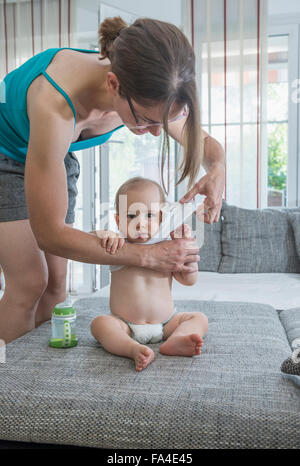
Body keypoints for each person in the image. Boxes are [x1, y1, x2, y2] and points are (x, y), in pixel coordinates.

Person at [0, 17, 224, 343]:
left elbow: (203, 144)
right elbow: (50, 235)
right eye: (147, 120)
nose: (158, 132)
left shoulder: (149, 87)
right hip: (5, 153)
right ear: (113, 85)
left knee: (56, 285)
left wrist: (218, 168)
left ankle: (37, 380)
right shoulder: (56, 104)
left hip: (54, 155)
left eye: (166, 120)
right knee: (30, 282)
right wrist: (149, 255)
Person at [91, 177, 209, 371]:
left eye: (149, 215)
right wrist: (103, 234)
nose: (140, 224)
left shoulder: (168, 249)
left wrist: (188, 255)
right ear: (118, 220)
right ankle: (131, 348)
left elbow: (188, 280)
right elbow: (87, 242)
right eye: (131, 216)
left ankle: (177, 339)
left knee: (199, 318)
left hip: (167, 323)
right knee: (100, 324)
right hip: (124, 325)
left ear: (161, 219)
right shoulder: (117, 247)